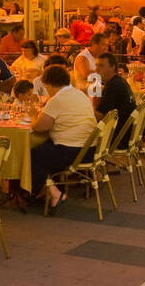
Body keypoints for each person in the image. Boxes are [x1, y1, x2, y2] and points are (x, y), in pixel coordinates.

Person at [29, 65, 100, 214]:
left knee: (32, 155)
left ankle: (55, 193)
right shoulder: (79, 94)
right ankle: (48, 189)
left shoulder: (58, 99)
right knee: (46, 147)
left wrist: (33, 115)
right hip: (90, 148)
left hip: (73, 150)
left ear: (48, 83)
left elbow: (40, 127)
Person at [95, 51, 135, 134]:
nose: (97, 69)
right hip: (127, 131)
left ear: (112, 67)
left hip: (117, 135)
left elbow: (99, 117)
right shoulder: (119, 81)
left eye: (101, 65)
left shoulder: (113, 86)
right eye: (96, 65)